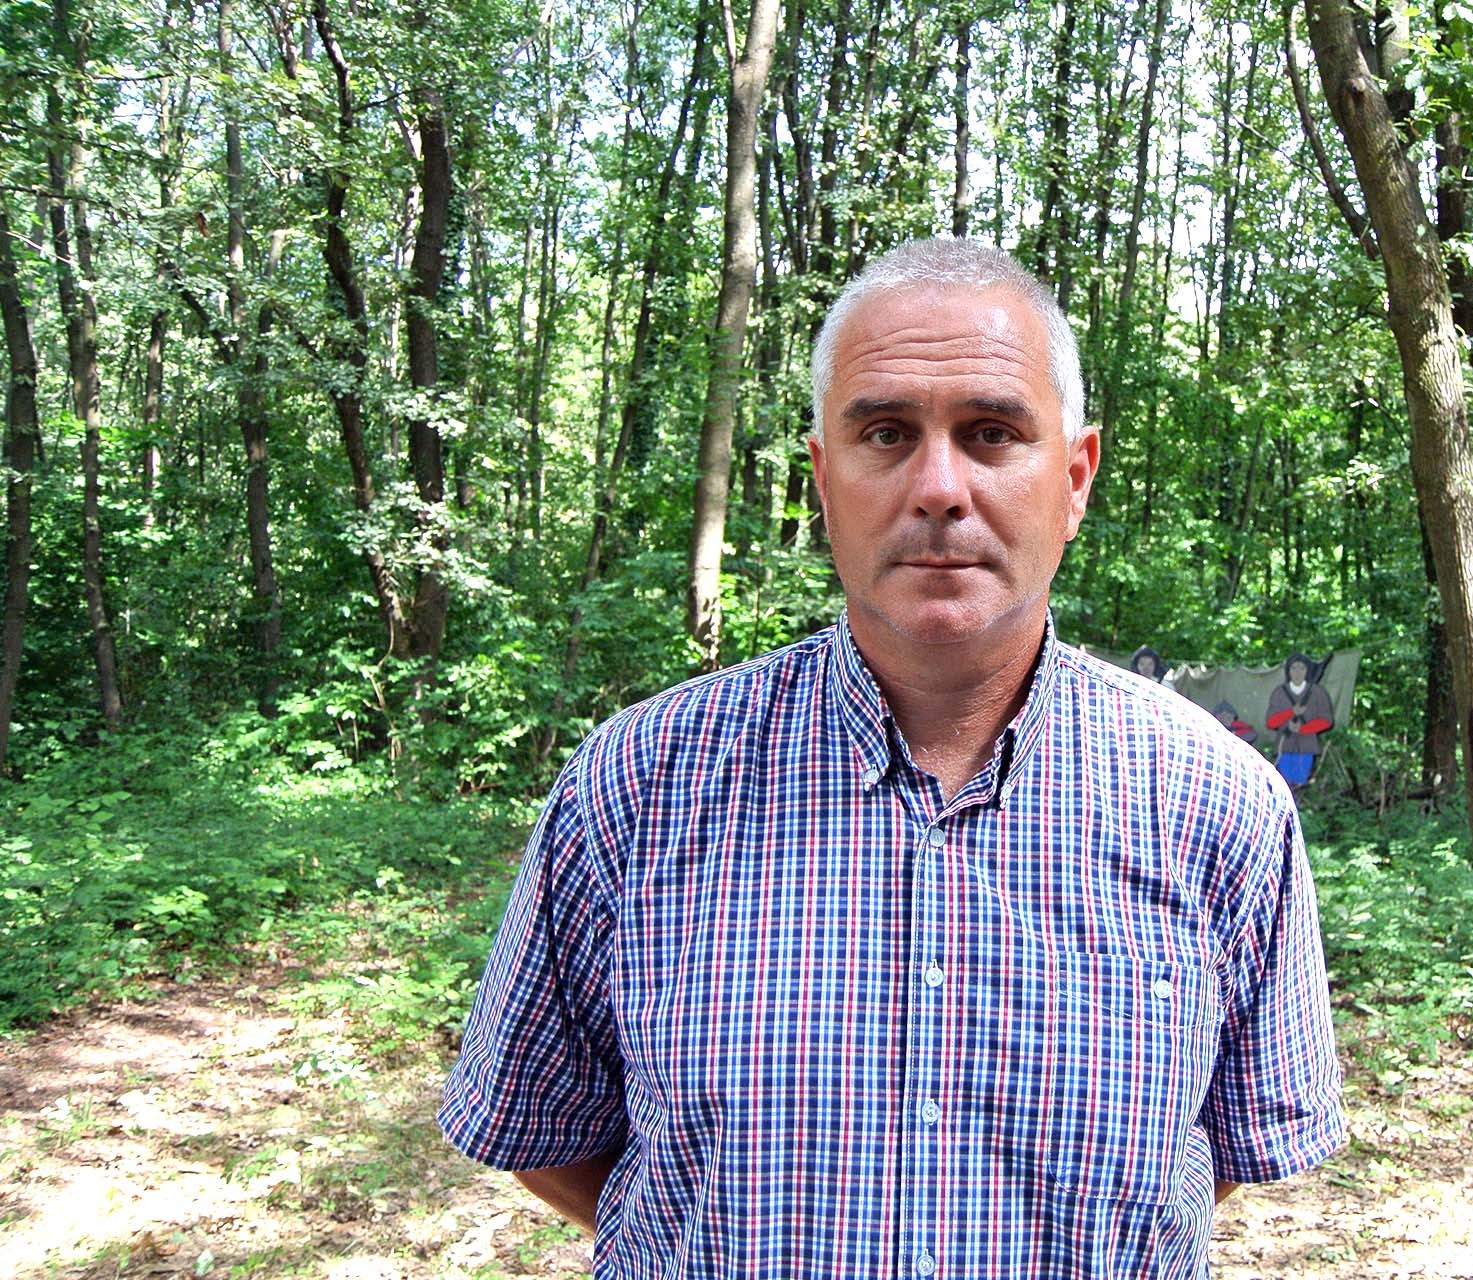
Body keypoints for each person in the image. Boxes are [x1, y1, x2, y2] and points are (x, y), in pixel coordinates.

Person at [438, 237, 1345, 1278]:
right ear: (825, 478)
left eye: (993, 432)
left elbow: (1199, 1164)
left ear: (1075, 479)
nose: (940, 487)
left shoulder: (1218, 802)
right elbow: (541, 1127)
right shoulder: (639, 784)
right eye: (886, 433)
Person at [1266, 653, 1336, 788]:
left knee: (1301, 784)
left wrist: (1303, 729)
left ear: (1307, 671)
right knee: (1284, 784)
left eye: (1302, 668)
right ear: (1288, 670)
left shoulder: (1317, 692)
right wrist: (1291, 712)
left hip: (1307, 745)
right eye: (1293, 668)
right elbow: (1271, 721)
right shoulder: (1279, 692)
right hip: (1285, 744)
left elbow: (1327, 720)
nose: (1297, 672)